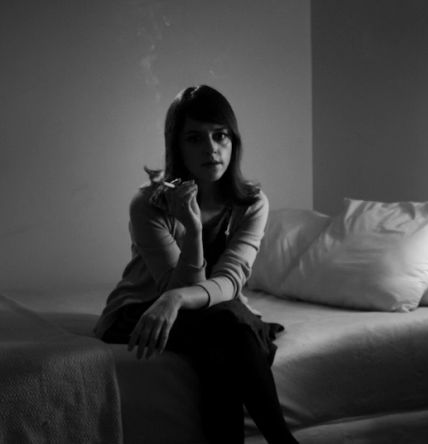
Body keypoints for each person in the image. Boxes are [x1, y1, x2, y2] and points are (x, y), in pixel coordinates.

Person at [93, 85, 299, 444]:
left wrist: (175, 299)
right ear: (177, 146)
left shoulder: (252, 203)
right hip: (144, 308)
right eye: (194, 138)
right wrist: (192, 229)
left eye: (220, 135)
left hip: (202, 308)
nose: (211, 148)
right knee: (230, 329)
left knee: (222, 340)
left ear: (233, 141)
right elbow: (174, 288)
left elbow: (231, 280)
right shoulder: (149, 204)